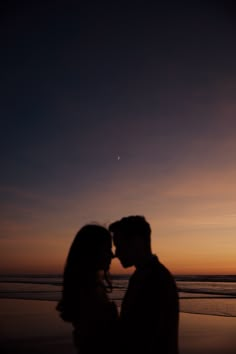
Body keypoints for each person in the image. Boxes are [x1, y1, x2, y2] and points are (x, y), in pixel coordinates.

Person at [109, 215, 179, 354]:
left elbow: (143, 339)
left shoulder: (155, 279)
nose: (116, 253)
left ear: (137, 242)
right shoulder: (145, 274)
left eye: (119, 245)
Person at [56, 224, 118, 354]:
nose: (112, 255)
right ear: (92, 251)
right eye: (107, 249)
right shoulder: (87, 292)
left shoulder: (92, 286)